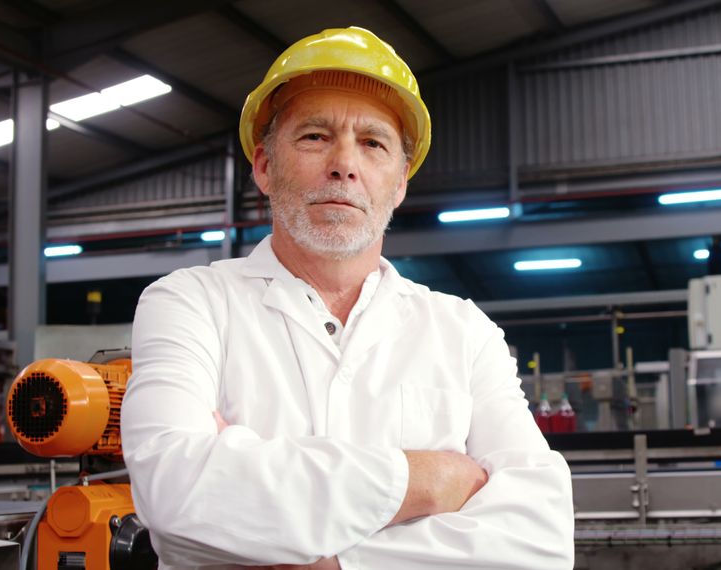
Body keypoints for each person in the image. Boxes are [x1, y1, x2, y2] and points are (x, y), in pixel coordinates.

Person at [121, 26, 574, 569]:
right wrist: (431, 479)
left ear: (400, 182)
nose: (344, 163)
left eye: (373, 143)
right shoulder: (190, 303)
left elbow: (540, 541)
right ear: (265, 167)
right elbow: (175, 497)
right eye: (314, 136)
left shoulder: (463, 331)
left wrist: (331, 562)